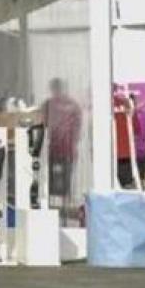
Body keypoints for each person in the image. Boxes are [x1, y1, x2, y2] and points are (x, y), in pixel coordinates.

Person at [41, 78, 82, 219]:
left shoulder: (49, 105)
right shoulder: (73, 106)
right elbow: (77, 129)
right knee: (62, 184)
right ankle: (62, 213)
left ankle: (57, 214)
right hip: (63, 151)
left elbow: (42, 125)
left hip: (57, 150)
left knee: (54, 183)